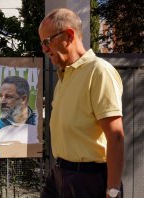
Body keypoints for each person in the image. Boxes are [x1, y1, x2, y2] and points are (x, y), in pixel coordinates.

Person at [39, 8, 124, 198]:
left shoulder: (99, 71)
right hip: (59, 174)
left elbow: (116, 136)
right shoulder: (64, 76)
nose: (44, 49)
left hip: (88, 180)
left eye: (47, 41)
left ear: (68, 35)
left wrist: (112, 190)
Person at [0, 76, 38, 144]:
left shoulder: (37, 122)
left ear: (23, 99)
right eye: (1, 96)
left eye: (8, 96)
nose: (2, 101)